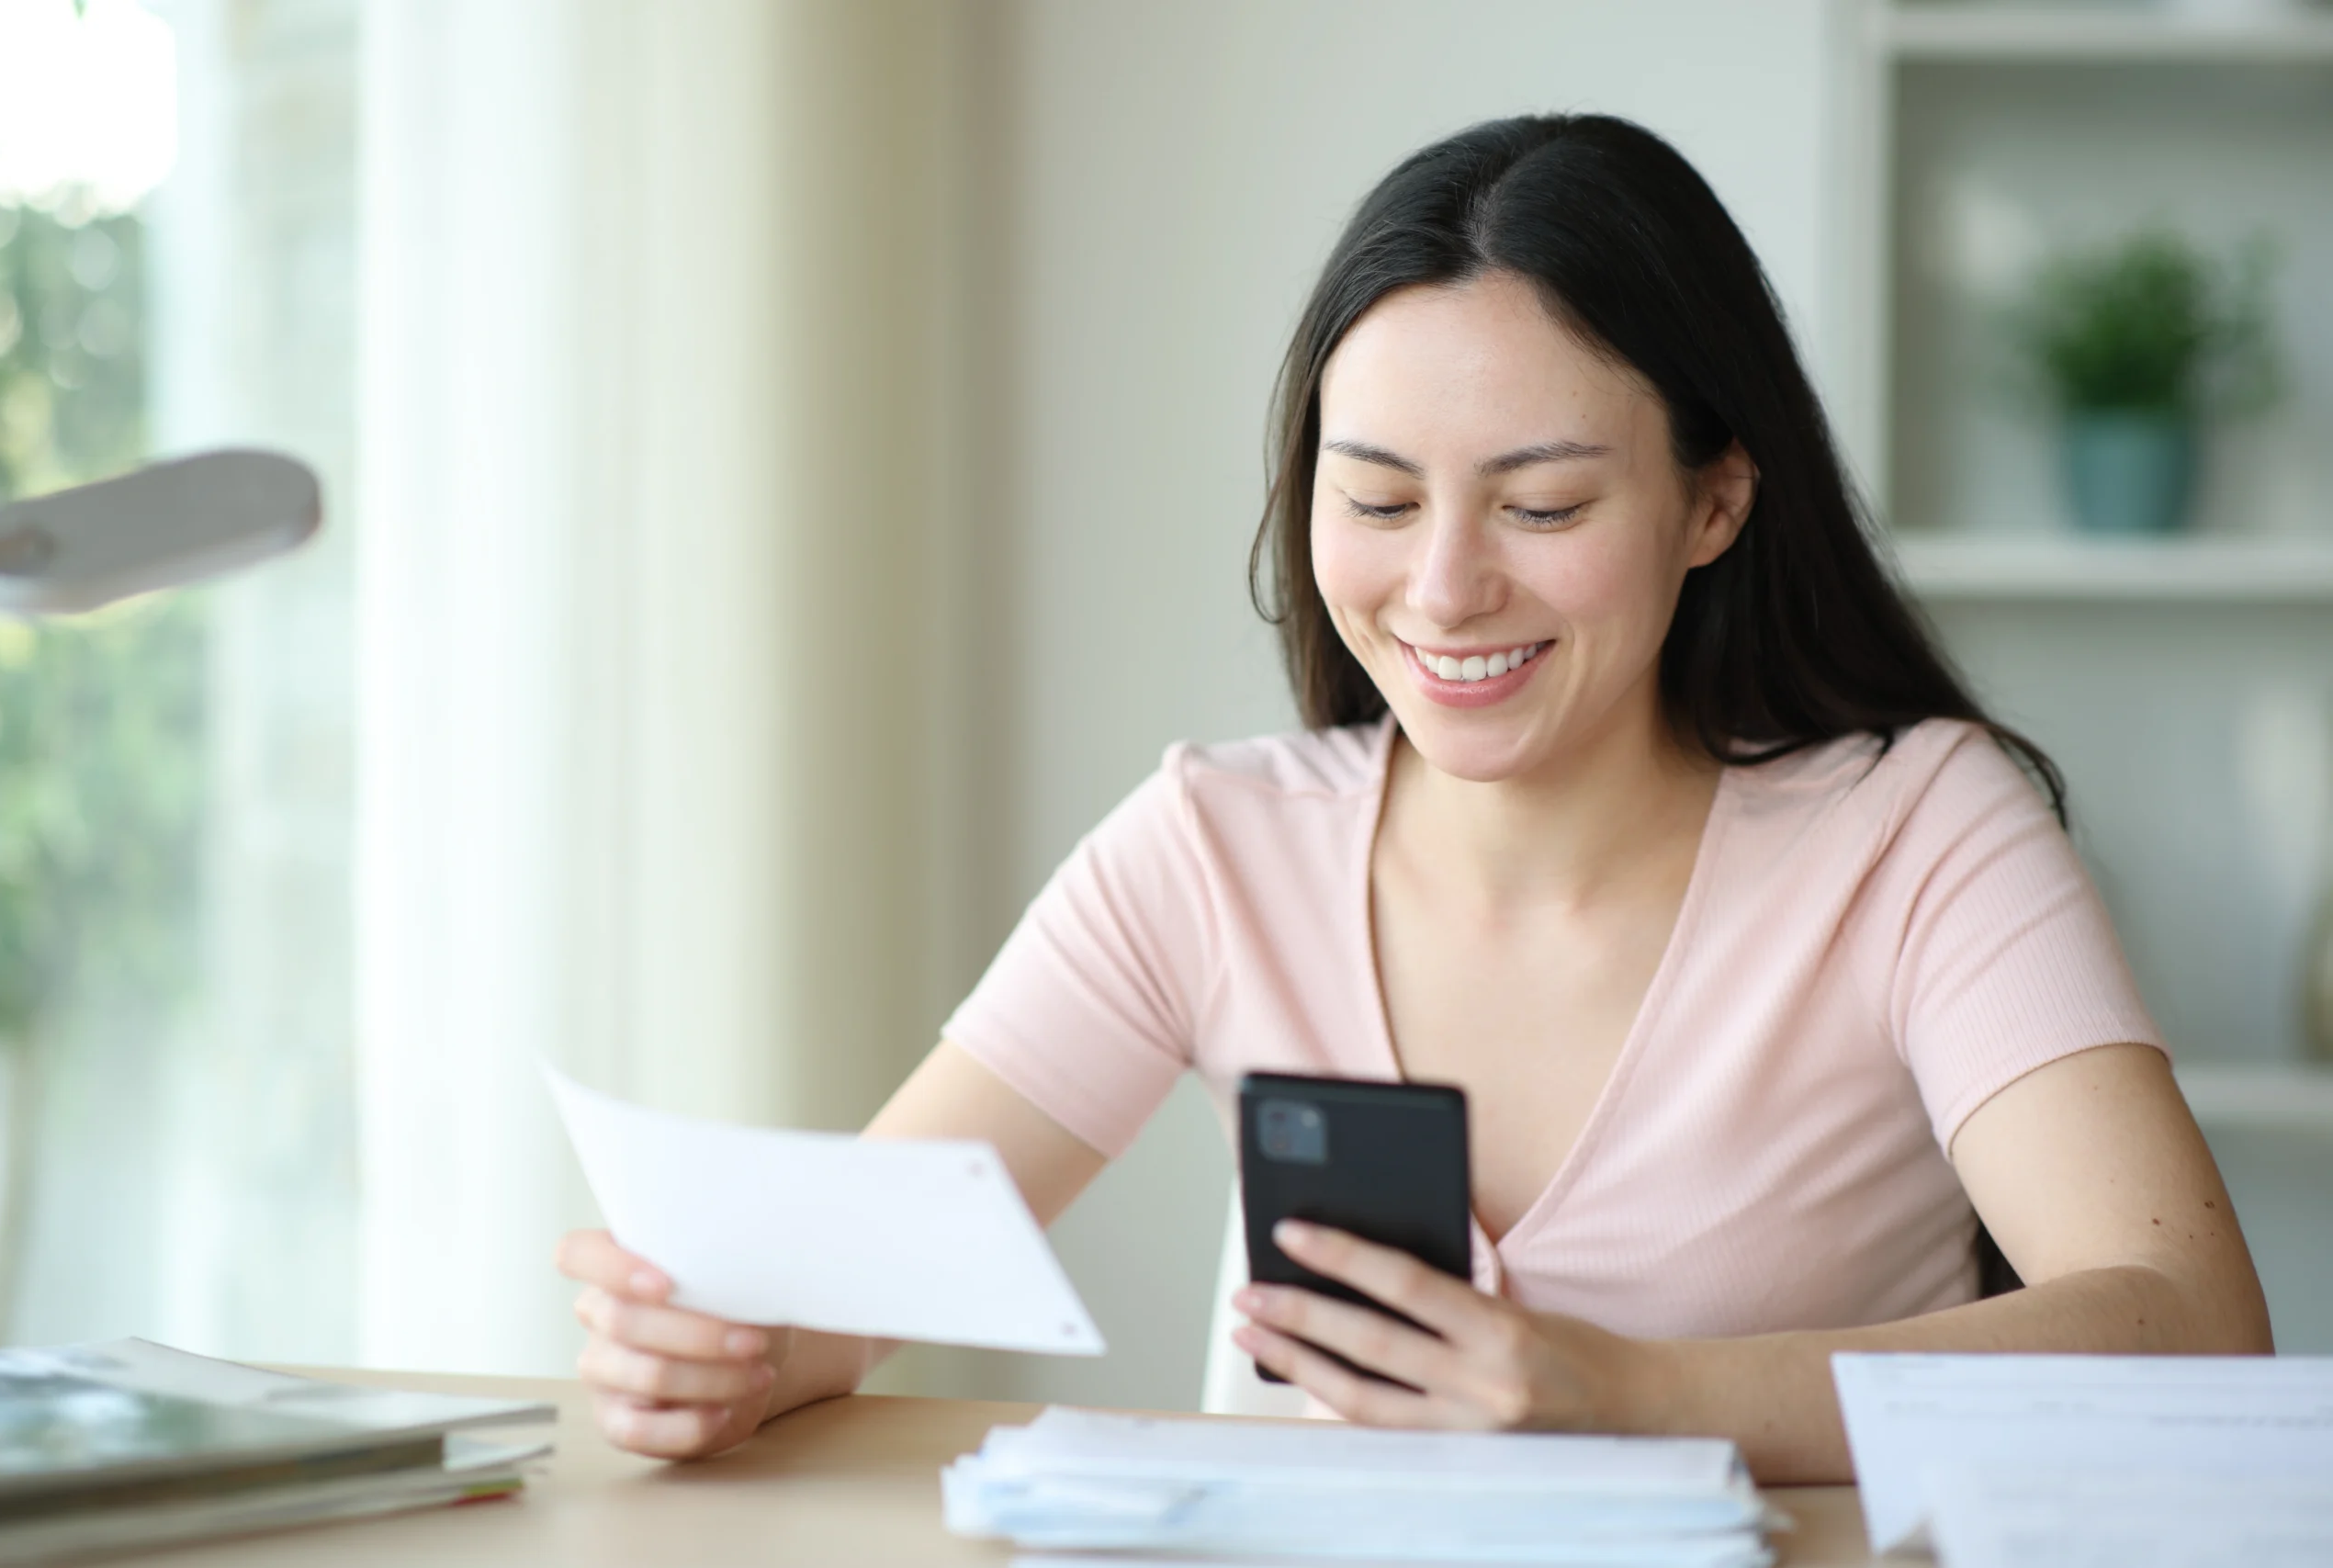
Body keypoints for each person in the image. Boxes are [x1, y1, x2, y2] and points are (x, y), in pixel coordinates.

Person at [554, 113, 2271, 1483]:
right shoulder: (1214, 848)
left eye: (1538, 506)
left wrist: (1622, 1391)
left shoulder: (1919, 833)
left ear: (1716, 501)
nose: (1443, 591)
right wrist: (731, 1350)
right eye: (1375, 499)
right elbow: (860, 1278)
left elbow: (2193, 1331)